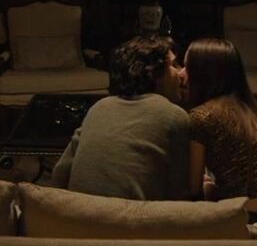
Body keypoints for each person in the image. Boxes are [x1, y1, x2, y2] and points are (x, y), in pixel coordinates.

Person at [50, 35, 189, 200]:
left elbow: (60, 174)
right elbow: (180, 191)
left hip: (78, 211)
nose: (181, 72)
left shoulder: (100, 107)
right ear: (154, 72)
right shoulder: (174, 115)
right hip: (131, 214)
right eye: (174, 65)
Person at [182, 38, 257, 212]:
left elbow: (194, 190)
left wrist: (207, 188)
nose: (181, 73)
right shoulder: (251, 109)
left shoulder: (201, 116)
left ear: (203, 74)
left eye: (187, 67)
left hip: (248, 215)